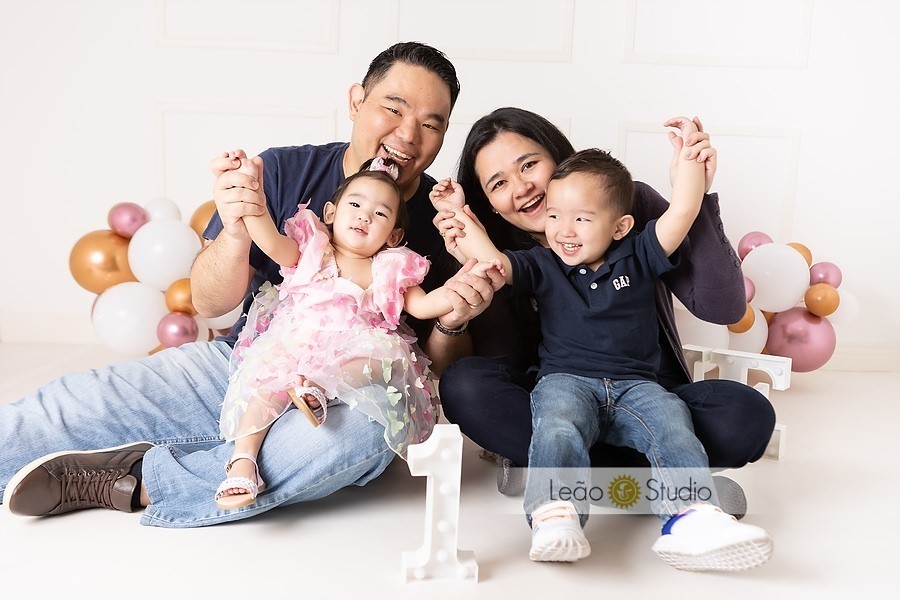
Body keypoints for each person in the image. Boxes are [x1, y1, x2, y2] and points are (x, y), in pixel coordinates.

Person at [2, 42, 497, 527]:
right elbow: (208, 302)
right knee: (65, 410)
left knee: (368, 436)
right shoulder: (284, 170)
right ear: (355, 101)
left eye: (432, 125)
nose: (409, 135)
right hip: (249, 362)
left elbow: (445, 370)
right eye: (394, 108)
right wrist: (239, 230)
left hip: (345, 400)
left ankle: (134, 477)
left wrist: (452, 320)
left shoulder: (445, 221)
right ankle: (218, 457)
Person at [431, 118, 773, 571]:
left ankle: (690, 518)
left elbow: (682, 214)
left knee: (697, 419)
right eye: (498, 182)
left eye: (529, 164)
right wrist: (459, 214)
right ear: (489, 203)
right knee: (550, 419)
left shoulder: (637, 246)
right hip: (565, 385)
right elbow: (490, 260)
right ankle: (558, 511)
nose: (563, 229)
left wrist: (691, 167)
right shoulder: (541, 262)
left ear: (619, 225)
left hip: (641, 389)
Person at [215, 158, 501, 509]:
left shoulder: (388, 267)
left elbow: (424, 307)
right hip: (300, 340)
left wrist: (461, 283)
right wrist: (253, 197)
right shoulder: (311, 252)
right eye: (355, 204)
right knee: (267, 382)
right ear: (332, 212)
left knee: (381, 357)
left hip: (356, 346)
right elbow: (270, 241)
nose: (365, 216)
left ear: (394, 235)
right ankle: (244, 460)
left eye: (381, 214)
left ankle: (318, 388)